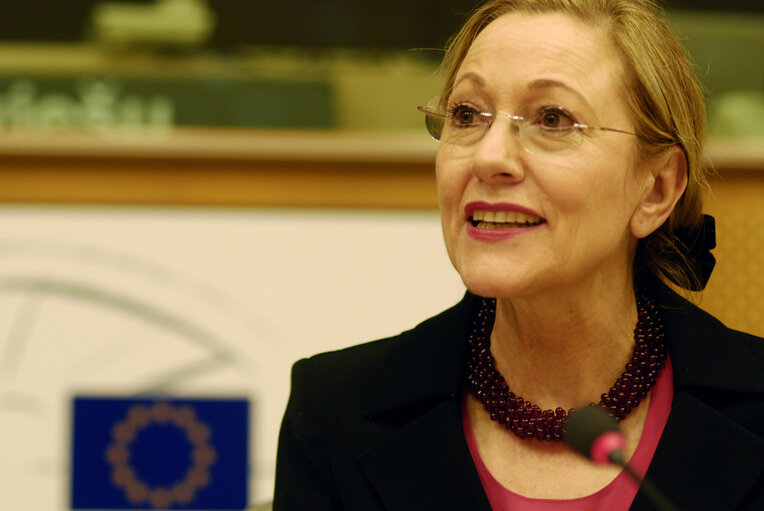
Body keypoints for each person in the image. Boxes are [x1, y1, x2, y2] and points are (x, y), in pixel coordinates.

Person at [273, 0, 764, 509]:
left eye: (553, 119)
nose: (489, 157)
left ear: (657, 189)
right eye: (466, 115)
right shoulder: (335, 414)